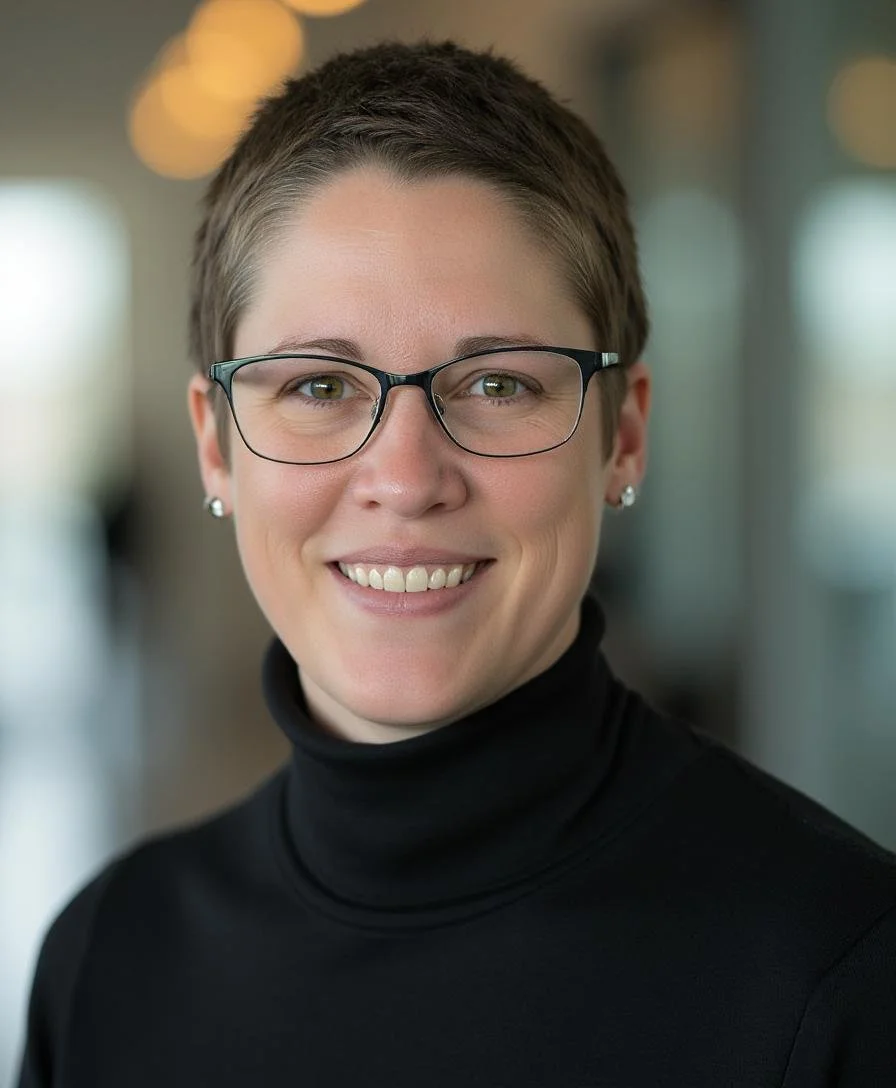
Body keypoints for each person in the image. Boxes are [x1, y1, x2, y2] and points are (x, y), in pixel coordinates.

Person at [16, 40, 896, 1088]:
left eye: (495, 385)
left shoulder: (842, 970)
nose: (404, 476)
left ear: (621, 436)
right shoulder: (112, 955)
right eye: (316, 386)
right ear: (217, 445)